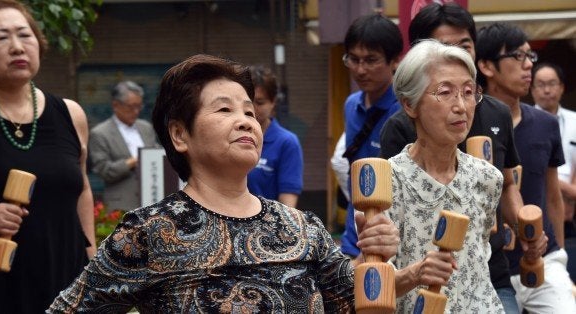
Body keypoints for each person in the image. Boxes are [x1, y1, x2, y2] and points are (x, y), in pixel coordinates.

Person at [48, 54, 400, 312]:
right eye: (224, 110)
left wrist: (376, 255)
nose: (246, 121)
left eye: (250, 112)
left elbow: (351, 302)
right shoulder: (152, 230)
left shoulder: (301, 227)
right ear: (179, 134)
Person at [0, 0, 95, 313]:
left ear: (39, 46)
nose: (17, 47)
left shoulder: (71, 113)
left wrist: (93, 265)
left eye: (24, 35)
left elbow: (81, 192)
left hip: (65, 283)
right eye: (1, 38)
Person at [378, 3, 523, 312]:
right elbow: (371, 281)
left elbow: (477, 264)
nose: (461, 106)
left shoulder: (488, 178)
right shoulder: (384, 181)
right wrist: (415, 273)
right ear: (409, 105)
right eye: (445, 92)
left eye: (469, 92)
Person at [477, 22, 576, 313]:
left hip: (542, 259)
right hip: (489, 268)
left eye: (529, 56)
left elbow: (553, 198)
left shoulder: (546, 124)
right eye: (517, 57)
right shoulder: (468, 125)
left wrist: (558, 258)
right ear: (486, 65)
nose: (527, 66)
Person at [339, 13, 403, 258]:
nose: (360, 69)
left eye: (371, 60)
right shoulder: (350, 104)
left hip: (390, 242)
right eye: (353, 59)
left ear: (395, 60)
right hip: (351, 239)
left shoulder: (406, 111)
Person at [89, 80, 158, 211]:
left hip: (152, 200)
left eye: (139, 106)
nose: (136, 111)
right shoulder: (100, 133)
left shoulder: (146, 128)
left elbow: (157, 154)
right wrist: (132, 162)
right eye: (131, 106)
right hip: (121, 205)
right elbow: (104, 170)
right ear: (116, 105)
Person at [246, 65, 303, 207]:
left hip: (267, 226)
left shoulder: (286, 142)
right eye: (247, 102)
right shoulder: (231, 137)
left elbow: (288, 205)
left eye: (259, 102)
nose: (252, 109)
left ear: (273, 103)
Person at [531, 62, 576, 237]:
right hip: (536, 213)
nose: (547, 90)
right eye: (541, 85)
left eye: (552, 84)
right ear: (532, 89)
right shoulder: (523, 123)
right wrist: (567, 190)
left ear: (562, 87)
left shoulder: (575, 121)